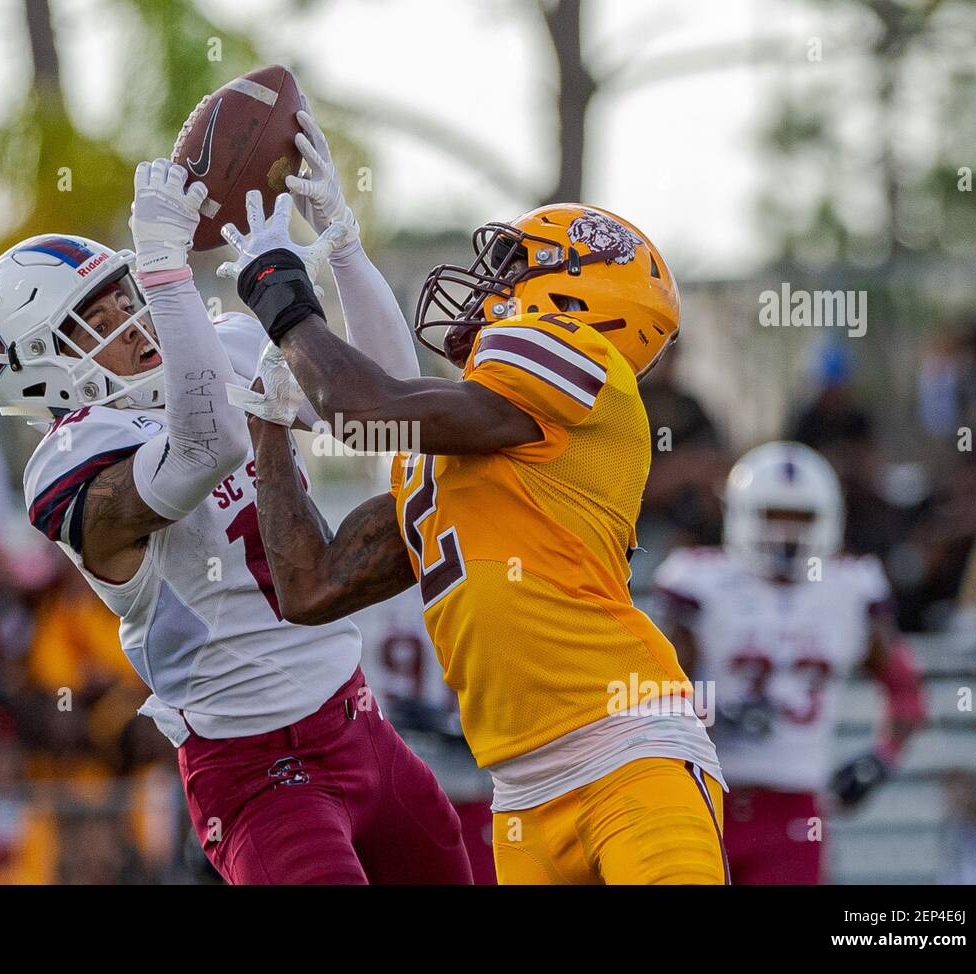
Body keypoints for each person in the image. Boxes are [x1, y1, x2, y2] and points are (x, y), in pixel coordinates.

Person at [0, 148, 471, 885]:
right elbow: (208, 444)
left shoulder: (215, 348)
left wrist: (341, 240)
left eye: (126, 296)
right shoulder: (67, 461)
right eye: (94, 321)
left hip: (362, 723)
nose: (132, 323)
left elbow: (387, 408)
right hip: (257, 769)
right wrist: (168, 270)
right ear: (41, 366)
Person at [226, 196, 728, 884]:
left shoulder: (581, 361)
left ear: (584, 294)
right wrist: (270, 429)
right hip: (519, 794)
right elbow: (310, 587)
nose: (485, 286)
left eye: (513, 267)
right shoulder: (452, 441)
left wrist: (279, 293)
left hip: (627, 753)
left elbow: (365, 410)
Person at [654, 441, 925, 884]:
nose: (785, 533)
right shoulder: (699, 581)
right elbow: (659, 691)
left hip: (794, 811)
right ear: (742, 515)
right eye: (772, 515)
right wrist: (710, 716)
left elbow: (906, 691)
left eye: (800, 519)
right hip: (699, 797)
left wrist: (882, 759)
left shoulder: (851, 589)